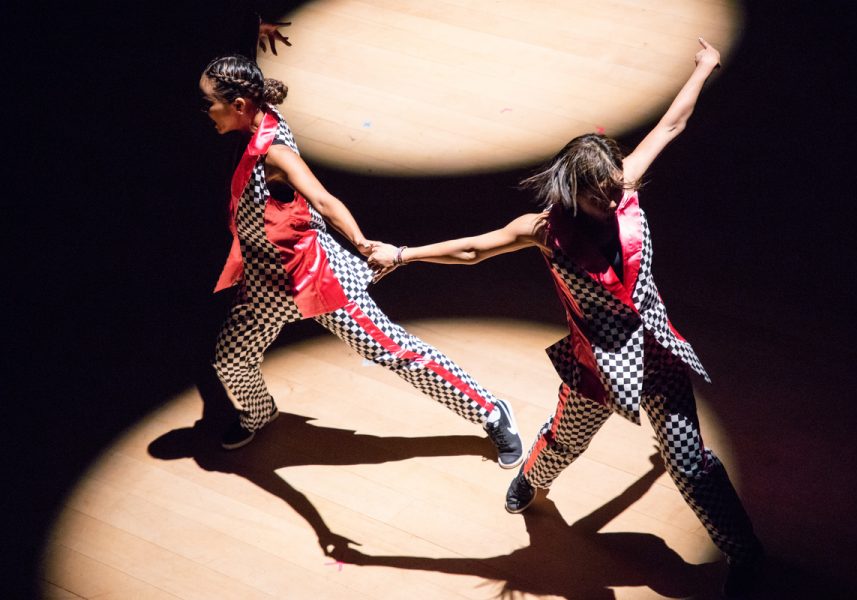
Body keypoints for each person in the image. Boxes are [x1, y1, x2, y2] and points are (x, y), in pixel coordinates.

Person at [368, 38, 763, 597]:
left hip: (657, 354)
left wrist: (703, 67)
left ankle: (745, 556)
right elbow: (473, 250)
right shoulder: (543, 231)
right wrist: (403, 254)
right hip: (595, 367)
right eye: (600, 197)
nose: (614, 199)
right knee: (562, 443)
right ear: (575, 193)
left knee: (691, 465)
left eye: (615, 190)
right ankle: (530, 479)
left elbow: (671, 126)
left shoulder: (622, 185)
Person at [198, 54, 523, 471]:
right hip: (266, 283)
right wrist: (255, 31)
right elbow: (243, 73)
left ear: (240, 105)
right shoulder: (257, 113)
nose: (205, 111)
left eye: (208, 102)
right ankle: (259, 412)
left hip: (316, 279)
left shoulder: (275, 153)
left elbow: (323, 200)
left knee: (394, 351)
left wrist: (361, 243)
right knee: (230, 359)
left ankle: (492, 412)